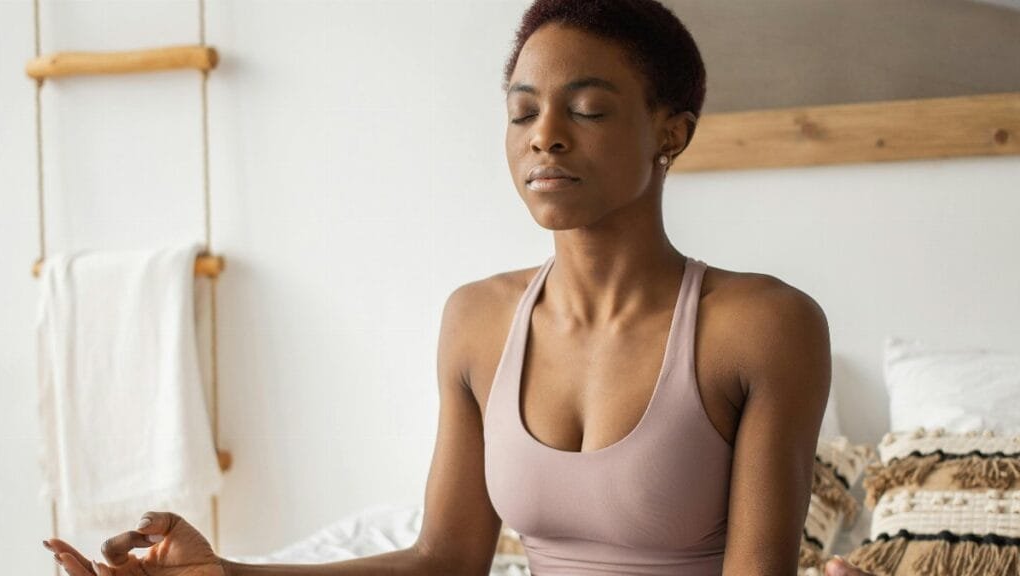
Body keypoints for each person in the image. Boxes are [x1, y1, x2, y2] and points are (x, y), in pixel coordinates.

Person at [43, 1, 878, 575]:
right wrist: (227, 569)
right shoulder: (478, 320)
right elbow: (443, 560)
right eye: (522, 114)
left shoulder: (764, 326)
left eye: (585, 109)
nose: (544, 137)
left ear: (672, 131)